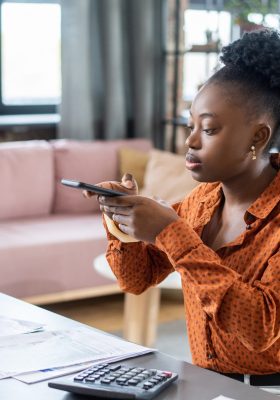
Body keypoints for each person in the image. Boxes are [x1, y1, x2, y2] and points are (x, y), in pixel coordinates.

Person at [85, 28, 280, 387]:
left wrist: (171, 232)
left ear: (258, 137)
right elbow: (136, 280)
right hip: (205, 383)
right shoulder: (202, 202)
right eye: (191, 124)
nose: (189, 140)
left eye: (208, 129)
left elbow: (261, 326)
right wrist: (120, 217)